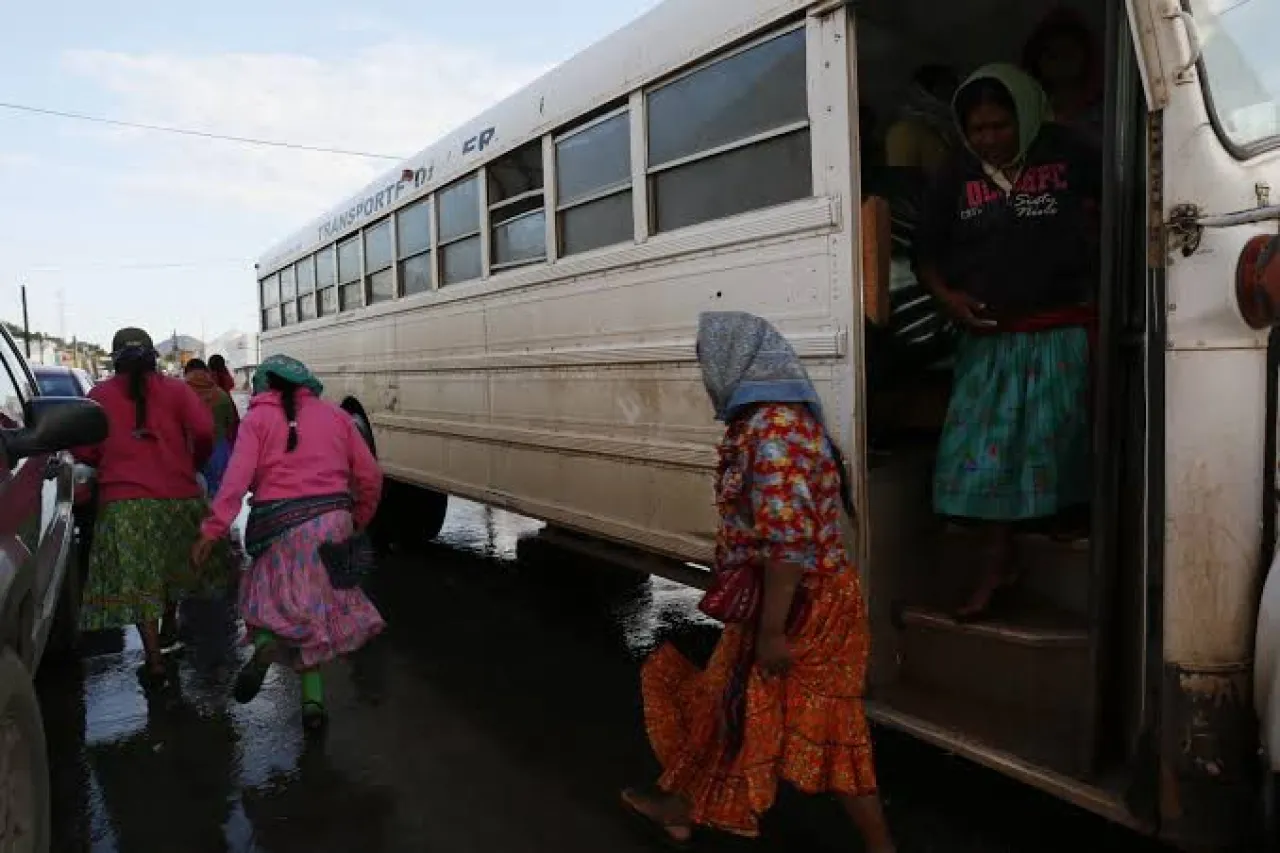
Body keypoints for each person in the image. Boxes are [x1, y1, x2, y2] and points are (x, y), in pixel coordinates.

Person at [621, 312, 894, 852]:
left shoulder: (774, 432)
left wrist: (772, 632)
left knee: (827, 727)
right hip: (784, 600)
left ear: (736, 360)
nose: (706, 373)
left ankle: (880, 847)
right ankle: (682, 807)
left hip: (801, 608)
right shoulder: (767, 423)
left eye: (707, 360)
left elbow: (789, 546)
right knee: (729, 703)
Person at [914, 64, 1101, 621]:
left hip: (1060, 332)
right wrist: (949, 298)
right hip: (991, 341)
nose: (988, 139)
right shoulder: (956, 173)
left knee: (1054, 448)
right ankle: (997, 564)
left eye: (1000, 125)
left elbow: (1126, 210)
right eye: (977, 129)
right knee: (980, 458)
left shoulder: (1070, 154)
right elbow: (926, 254)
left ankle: (1053, 569)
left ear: (1024, 115)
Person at [191, 354, 385, 733]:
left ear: (265, 386)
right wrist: (358, 518)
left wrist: (211, 531)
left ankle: (265, 642)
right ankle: (313, 703)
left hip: (280, 528)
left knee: (269, 600)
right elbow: (370, 476)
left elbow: (234, 482)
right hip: (334, 522)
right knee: (311, 613)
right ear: (306, 384)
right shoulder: (337, 417)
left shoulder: (258, 420)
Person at [74, 328, 229, 688]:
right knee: (172, 567)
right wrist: (193, 461)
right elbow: (205, 431)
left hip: (124, 505)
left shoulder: (98, 396)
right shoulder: (177, 390)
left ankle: (154, 658)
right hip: (178, 497)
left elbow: (82, 449)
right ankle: (170, 621)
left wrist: (103, 459)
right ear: (152, 357)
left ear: (115, 358)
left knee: (142, 580)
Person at [1023, 7, 1103, 142]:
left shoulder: (1105, 111)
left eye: (1068, 53)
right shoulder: (1028, 112)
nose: (1061, 62)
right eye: (1052, 55)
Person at [885, 64, 961, 176]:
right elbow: (903, 181)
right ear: (929, 90)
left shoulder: (951, 126)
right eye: (948, 85)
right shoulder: (904, 131)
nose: (955, 90)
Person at [183, 358, 240, 497]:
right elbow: (231, 424)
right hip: (218, 451)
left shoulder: (181, 395)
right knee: (217, 494)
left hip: (188, 451)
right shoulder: (221, 395)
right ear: (207, 372)